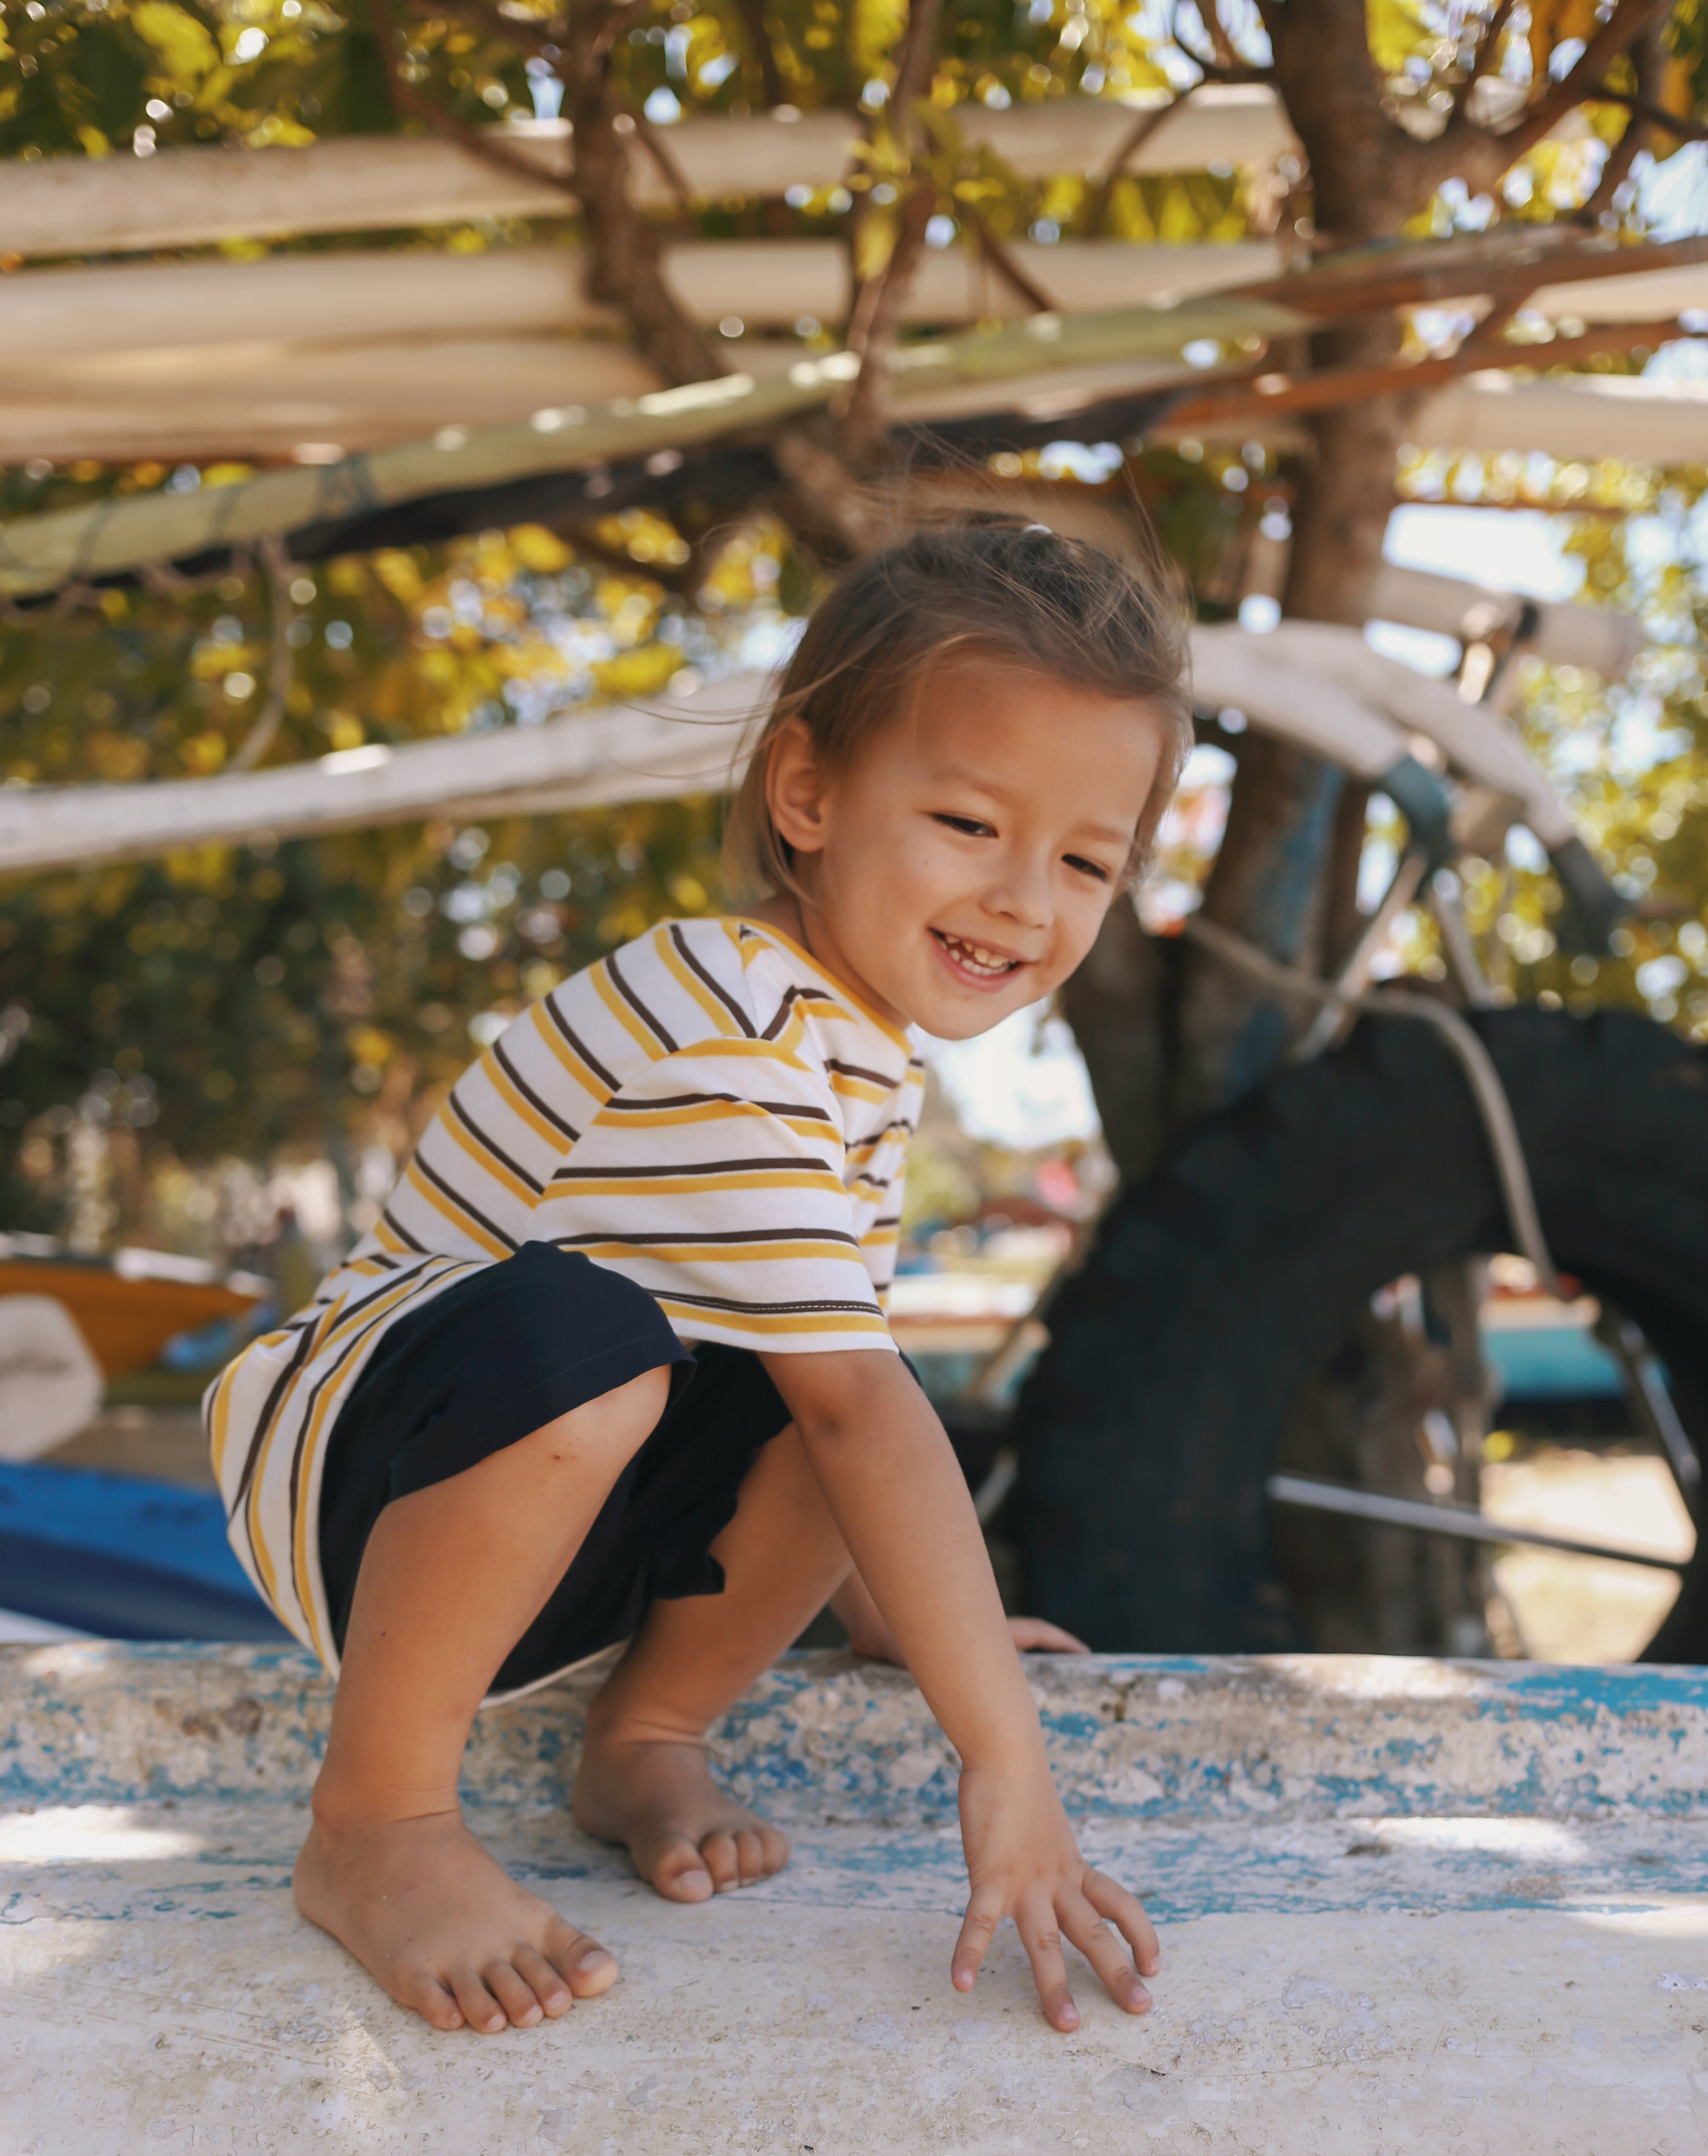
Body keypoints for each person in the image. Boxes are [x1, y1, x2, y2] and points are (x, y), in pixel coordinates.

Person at [206, 516, 1192, 2040]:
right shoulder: (726, 1023)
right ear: (807, 794)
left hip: (552, 1522)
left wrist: (907, 1617)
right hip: (362, 1486)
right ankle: (376, 1819)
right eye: (967, 823)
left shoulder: (860, 1054)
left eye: (1082, 861)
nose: (1022, 899)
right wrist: (1004, 1759)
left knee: (804, 1372)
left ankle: (645, 1737)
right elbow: (855, 1411)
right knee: (605, 1341)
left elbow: (820, 1384)